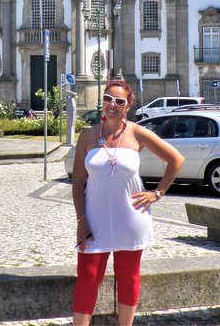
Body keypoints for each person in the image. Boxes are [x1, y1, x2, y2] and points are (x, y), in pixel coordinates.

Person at [71, 80, 184, 325]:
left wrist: (158, 192)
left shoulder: (137, 133)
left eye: (119, 101)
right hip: (94, 219)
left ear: (128, 106)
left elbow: (176, 159)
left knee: (128, 277)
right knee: (87, 278)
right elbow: (78, 183)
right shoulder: (88, 135)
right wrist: (81, 220)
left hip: (131, 218)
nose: (112, 105)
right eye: (108, 99)